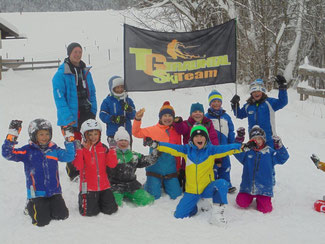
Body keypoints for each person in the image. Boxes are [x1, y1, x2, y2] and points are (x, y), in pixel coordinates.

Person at [146, 125, 246, 226]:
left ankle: (216, 215)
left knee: (222, 184)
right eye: (196, 136)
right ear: (192, 139)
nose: (199, 139)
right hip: (192, 191)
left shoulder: (211, 150)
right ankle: (198, 206)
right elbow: (171, 147)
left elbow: (227, 148)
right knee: (179, 215)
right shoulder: (186, 150)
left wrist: (242, 147)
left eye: (202, 136)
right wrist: (156, 144)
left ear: (206, 138)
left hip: (207, 188)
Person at [2, 119, 75, 227]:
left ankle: (49, 204)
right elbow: (7, 154)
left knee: (62, 215)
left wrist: (69, 138)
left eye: (47, 134)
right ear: (33, 135)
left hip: (54, 191)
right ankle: (30, 205)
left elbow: (69, 156)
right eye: (41, 134)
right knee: (41, 221)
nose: (45, 137)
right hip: (36, 193)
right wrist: (12, 135)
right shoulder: (28, 151)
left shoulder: (53, 149)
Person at [52, 42, 97, 181]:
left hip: (86, 111)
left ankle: (87, 167)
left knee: (88, 140)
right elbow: (60, 99)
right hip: (71, 115)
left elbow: (93, 92)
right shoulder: (61, 74)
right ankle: (73, 171)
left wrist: (93, 109)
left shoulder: (85, 71)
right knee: (73, 142)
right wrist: (67, 117)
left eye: (79, 52)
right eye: (75, 52)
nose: (77, 55)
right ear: (69, 53)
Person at [132, 102, 182, 200]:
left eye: (170, 116)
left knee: (176, 195)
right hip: (154, 170)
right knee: (154, 195)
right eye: (165, 115)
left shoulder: (176, 131)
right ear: (160, 117)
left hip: (170, 171)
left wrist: (178, 168)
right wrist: (138, 119)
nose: (167, 118)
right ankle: (151, 182)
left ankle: (164, 182)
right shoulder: (153, 130)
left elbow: (179, 151)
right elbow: (136, 132)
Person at [234, 125, 289, 214]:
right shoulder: (247, 152)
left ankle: (261, 199)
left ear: (263, 139)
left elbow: (283, 158)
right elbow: (235, 151)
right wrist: (239, 139)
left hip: (264, 188)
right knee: (241, 203)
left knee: (265, 209)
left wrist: (279, 146)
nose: (258, 141)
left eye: (260, 139)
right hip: (248, 187)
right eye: (255, 139)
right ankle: (250, 196)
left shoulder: (269, 152)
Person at [72, 119, 118, 216]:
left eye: (95, 134)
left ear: (100, 134)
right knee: (89, 213)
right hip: (88, 188)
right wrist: (79, 150)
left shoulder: (103, 148)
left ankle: (99, 200)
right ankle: (87, 200)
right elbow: (78, 166)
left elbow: (112, 164)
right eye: (90, 134)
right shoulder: (82, 149)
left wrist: (112, 149)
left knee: (111, 210)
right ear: (84, 135)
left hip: (104, 186)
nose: (93, 137)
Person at [107, 127, 159, 207]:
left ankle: (132, 195)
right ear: (116, 142)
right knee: (113, 205)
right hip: (115, 185)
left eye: (126, 140)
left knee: (147, 200)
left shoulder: (134, 155)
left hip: (131, 185)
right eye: (120, 140)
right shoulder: (111, 155)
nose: (123, 142)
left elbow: (146, 160)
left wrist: (155, 151)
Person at [230, 75, 288, 148]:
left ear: (262, 92)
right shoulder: (248, 106)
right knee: (256, 158)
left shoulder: (269, 103)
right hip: (254, 139)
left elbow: (283, 102)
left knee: (269, 158)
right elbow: (239, 114)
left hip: (269, 139)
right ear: (251, 93)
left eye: (258, 91)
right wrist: (235, 105)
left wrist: (282, 87)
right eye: (254, 91)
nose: (256, 93)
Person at [173, 102, 219, 191]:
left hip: (205, 154)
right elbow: (181, 129)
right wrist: (178, 123)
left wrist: (217, 157)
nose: (197, 113)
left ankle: (205, 186)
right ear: (191, 114)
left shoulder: (208, 123)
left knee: (204, 171)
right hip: (189, 154)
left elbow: (213, 138)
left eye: (200, 111)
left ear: (203, 113)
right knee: (189, 171)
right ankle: (186, 182)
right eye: (195, 111)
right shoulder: (187, 124)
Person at [205, 90, 236, 193]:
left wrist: (232, 144)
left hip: (224, 148)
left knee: (225, 166)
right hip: (212, 149)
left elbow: (231, 131)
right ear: (210, 103)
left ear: (221, 103)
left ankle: (226, 184)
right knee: (213, 168)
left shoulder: (226, 117)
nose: (216, 103)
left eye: (218, 101)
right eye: (214, 101)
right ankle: (213, 185)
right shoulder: (206, 117)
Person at [99, 75, 136, 144]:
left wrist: (129, 109)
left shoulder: (127, 100)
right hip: (113, 132)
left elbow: (133, 115)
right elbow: (102, 115)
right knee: (114, 153)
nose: (120, 89)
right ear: (112, 89)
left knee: (127, 152)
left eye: (122, 87)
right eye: (117, 88)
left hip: (126, 132)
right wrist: (113, 118)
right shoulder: (107, 101)